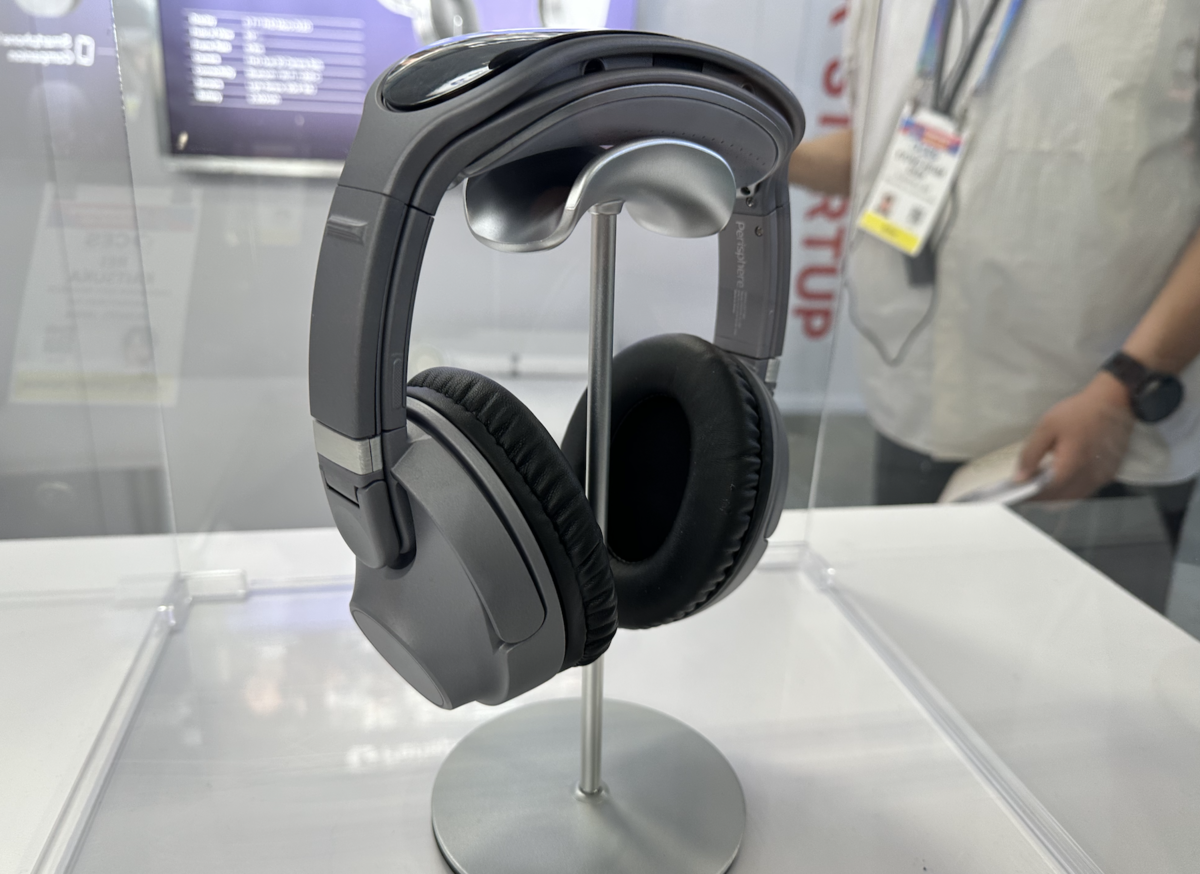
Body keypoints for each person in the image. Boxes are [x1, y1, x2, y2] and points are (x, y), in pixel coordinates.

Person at [789, 0, 1200, 546]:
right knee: (909, 594)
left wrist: (1124, 387)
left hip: (1097, 425)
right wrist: (756, 151)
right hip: (913, 397)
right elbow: (886, 153)